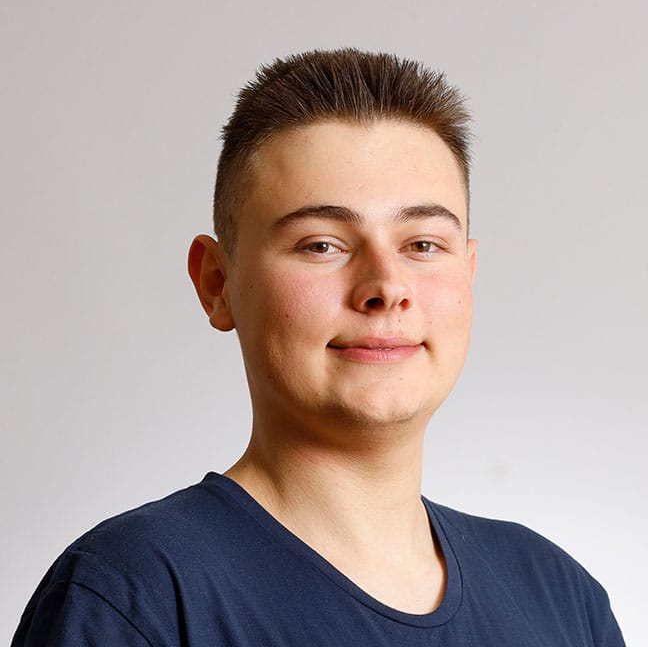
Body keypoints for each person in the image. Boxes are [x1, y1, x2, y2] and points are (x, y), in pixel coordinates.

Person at [13, 49, 624, 646]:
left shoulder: (560, 598)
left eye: (422, 244)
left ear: (468, 272)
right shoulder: (134, 598)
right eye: (322, 245)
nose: (386, 287)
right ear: (217, 284)